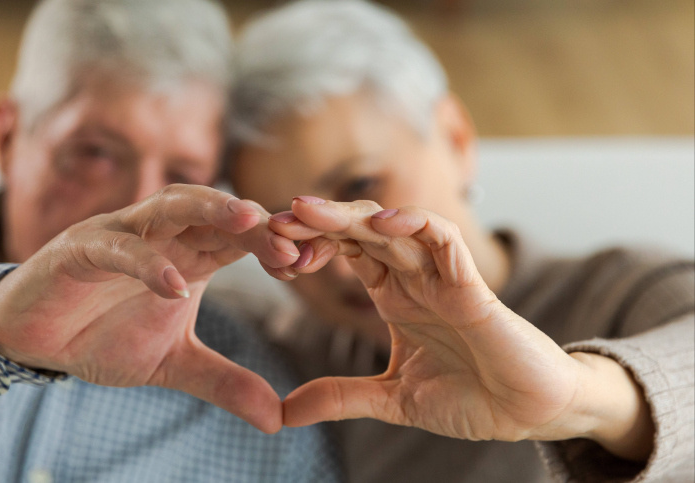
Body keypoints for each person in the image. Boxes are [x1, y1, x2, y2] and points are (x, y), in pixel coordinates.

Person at [0, 0, 341, 481]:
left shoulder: (249, 392)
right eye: (97, 154)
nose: (144, 207)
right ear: (8, 138)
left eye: (182, 175)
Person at [225, 0, 694, 481]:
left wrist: (581, 400)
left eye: (361, 187)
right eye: (289, 228)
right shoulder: (304, 353)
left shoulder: (626, 289)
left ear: (456, 137)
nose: (343, 266)